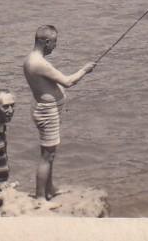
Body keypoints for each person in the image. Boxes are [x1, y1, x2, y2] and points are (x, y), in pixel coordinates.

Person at [23, 25, 96, 201]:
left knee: (50, 153)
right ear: (46, 41)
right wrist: (85, 70)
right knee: (47, 155)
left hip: (47, 110)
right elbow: (68, 81)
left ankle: (50, 188)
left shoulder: (31, 59)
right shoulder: (38, 63)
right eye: (54, 43)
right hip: (47, 113)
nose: (55, 46)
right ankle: (41, 197)